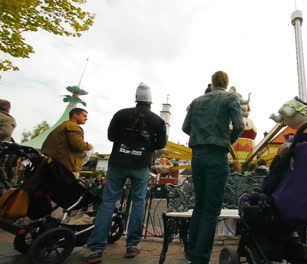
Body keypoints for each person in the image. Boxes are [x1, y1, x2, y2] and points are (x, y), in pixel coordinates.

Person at [86, 82, 167, 263]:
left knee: (108, 202)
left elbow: (111, 137)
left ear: (136, 98)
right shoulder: (157, 120)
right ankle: (132, 245)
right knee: (138, 202)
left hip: (118, 162)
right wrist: (145, 147)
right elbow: (161, 144)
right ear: (150, 102)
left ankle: (97, 248)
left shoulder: (121, 114)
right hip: (140, 165)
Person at [182, 71, 244, 264]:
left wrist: (200, 134)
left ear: (212, 82)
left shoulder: (197, 101)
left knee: (199, 206)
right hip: (217, 155)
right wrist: (228, 139)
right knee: (211, 209)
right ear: (226, 83)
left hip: (197, 155)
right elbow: (239, 124)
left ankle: (192, 253)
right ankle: (200, 258)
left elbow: (185, 127)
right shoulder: (230, 98)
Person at [41, 108, 93, 179]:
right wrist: (89, 146)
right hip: (67, 168)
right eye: (84, 116)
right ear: (75, 115)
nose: (86, 118)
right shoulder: (73, 126)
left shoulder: (63, 126)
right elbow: (79, 146)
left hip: (55, 166)